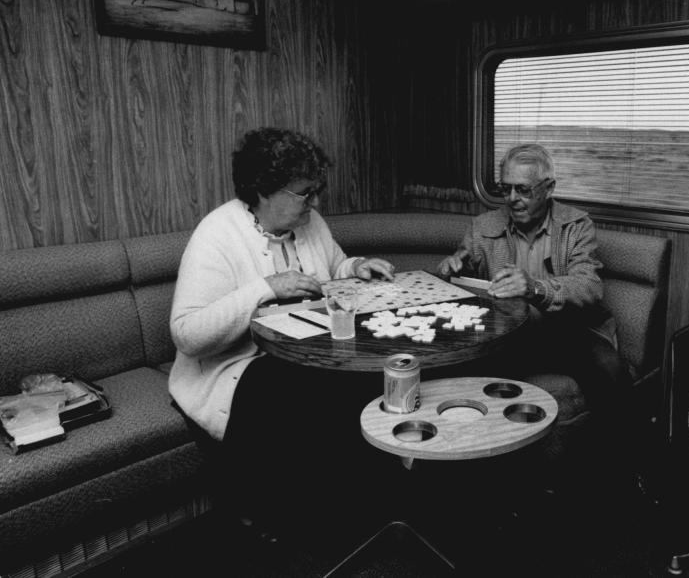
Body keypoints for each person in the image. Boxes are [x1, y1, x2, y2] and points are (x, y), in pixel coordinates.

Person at [168, 127, 396, 544]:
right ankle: (286, 518)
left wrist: (356, 266)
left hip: (309, 351)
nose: (315, 202)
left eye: (316, 191)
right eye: (305, 193)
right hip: (236, 365)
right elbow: (187, 335)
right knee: (289, 387)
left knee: (365, 372)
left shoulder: (310, 222)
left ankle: (361, 505)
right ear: (263, 190)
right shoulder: (216, 234)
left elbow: (334, 265)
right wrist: (266, 288)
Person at [437, 143, 634, 488]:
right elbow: (461, 265)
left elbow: (588, 287)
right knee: (465, 374)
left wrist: (534, 288)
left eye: (523, 190)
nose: (512, 198)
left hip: (568, 332)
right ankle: (477, 476)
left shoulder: (576, 226)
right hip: (509, 335)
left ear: (549, 188)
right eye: (505, 188)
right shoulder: (483, 225)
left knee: (610, 368)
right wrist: (451, 267)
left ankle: (621, 475)